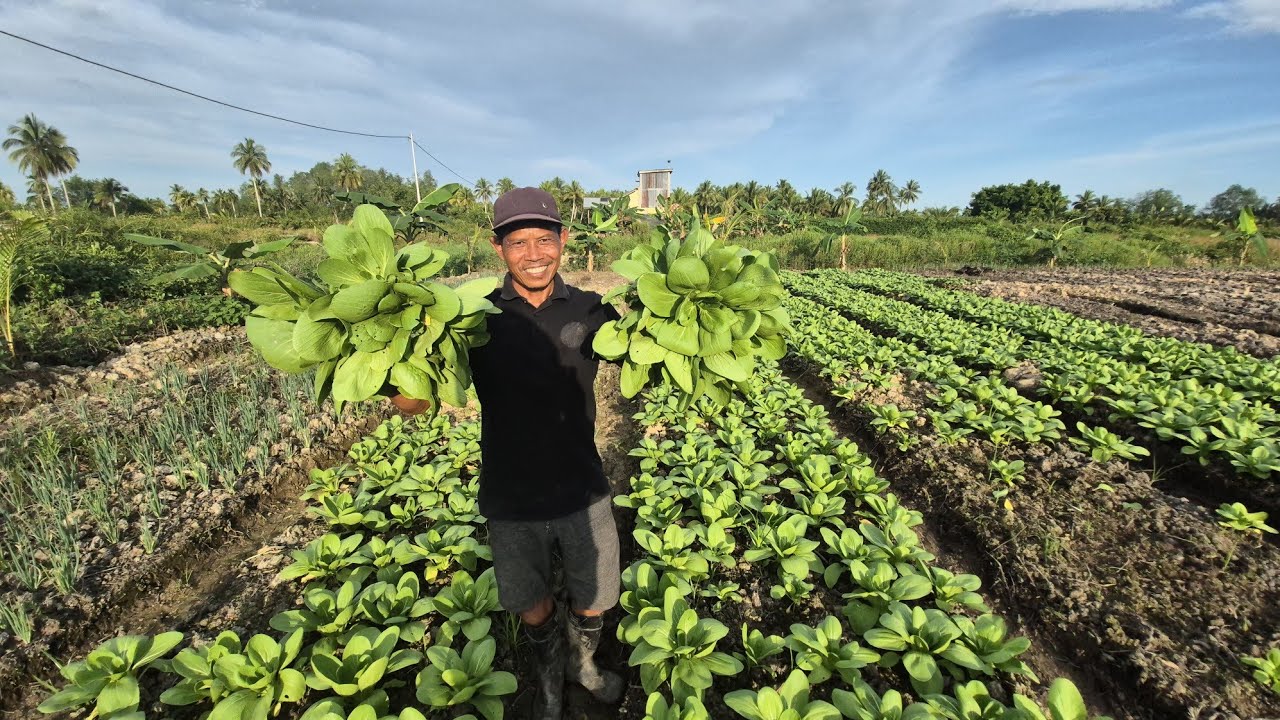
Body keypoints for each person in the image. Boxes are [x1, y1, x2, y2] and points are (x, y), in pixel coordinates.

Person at [390, 187, 623, 719]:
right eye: (520, 242)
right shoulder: (476, 317)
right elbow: (418, 403)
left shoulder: (591, 309)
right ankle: (546, 683)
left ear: (563, 241)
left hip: (581, 484)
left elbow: (641, 365)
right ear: (500, 249)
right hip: (510, 489)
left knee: (597, 594)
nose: (535, 253)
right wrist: (387, 370)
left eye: (545, 239)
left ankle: (581, 667)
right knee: (530, 603)